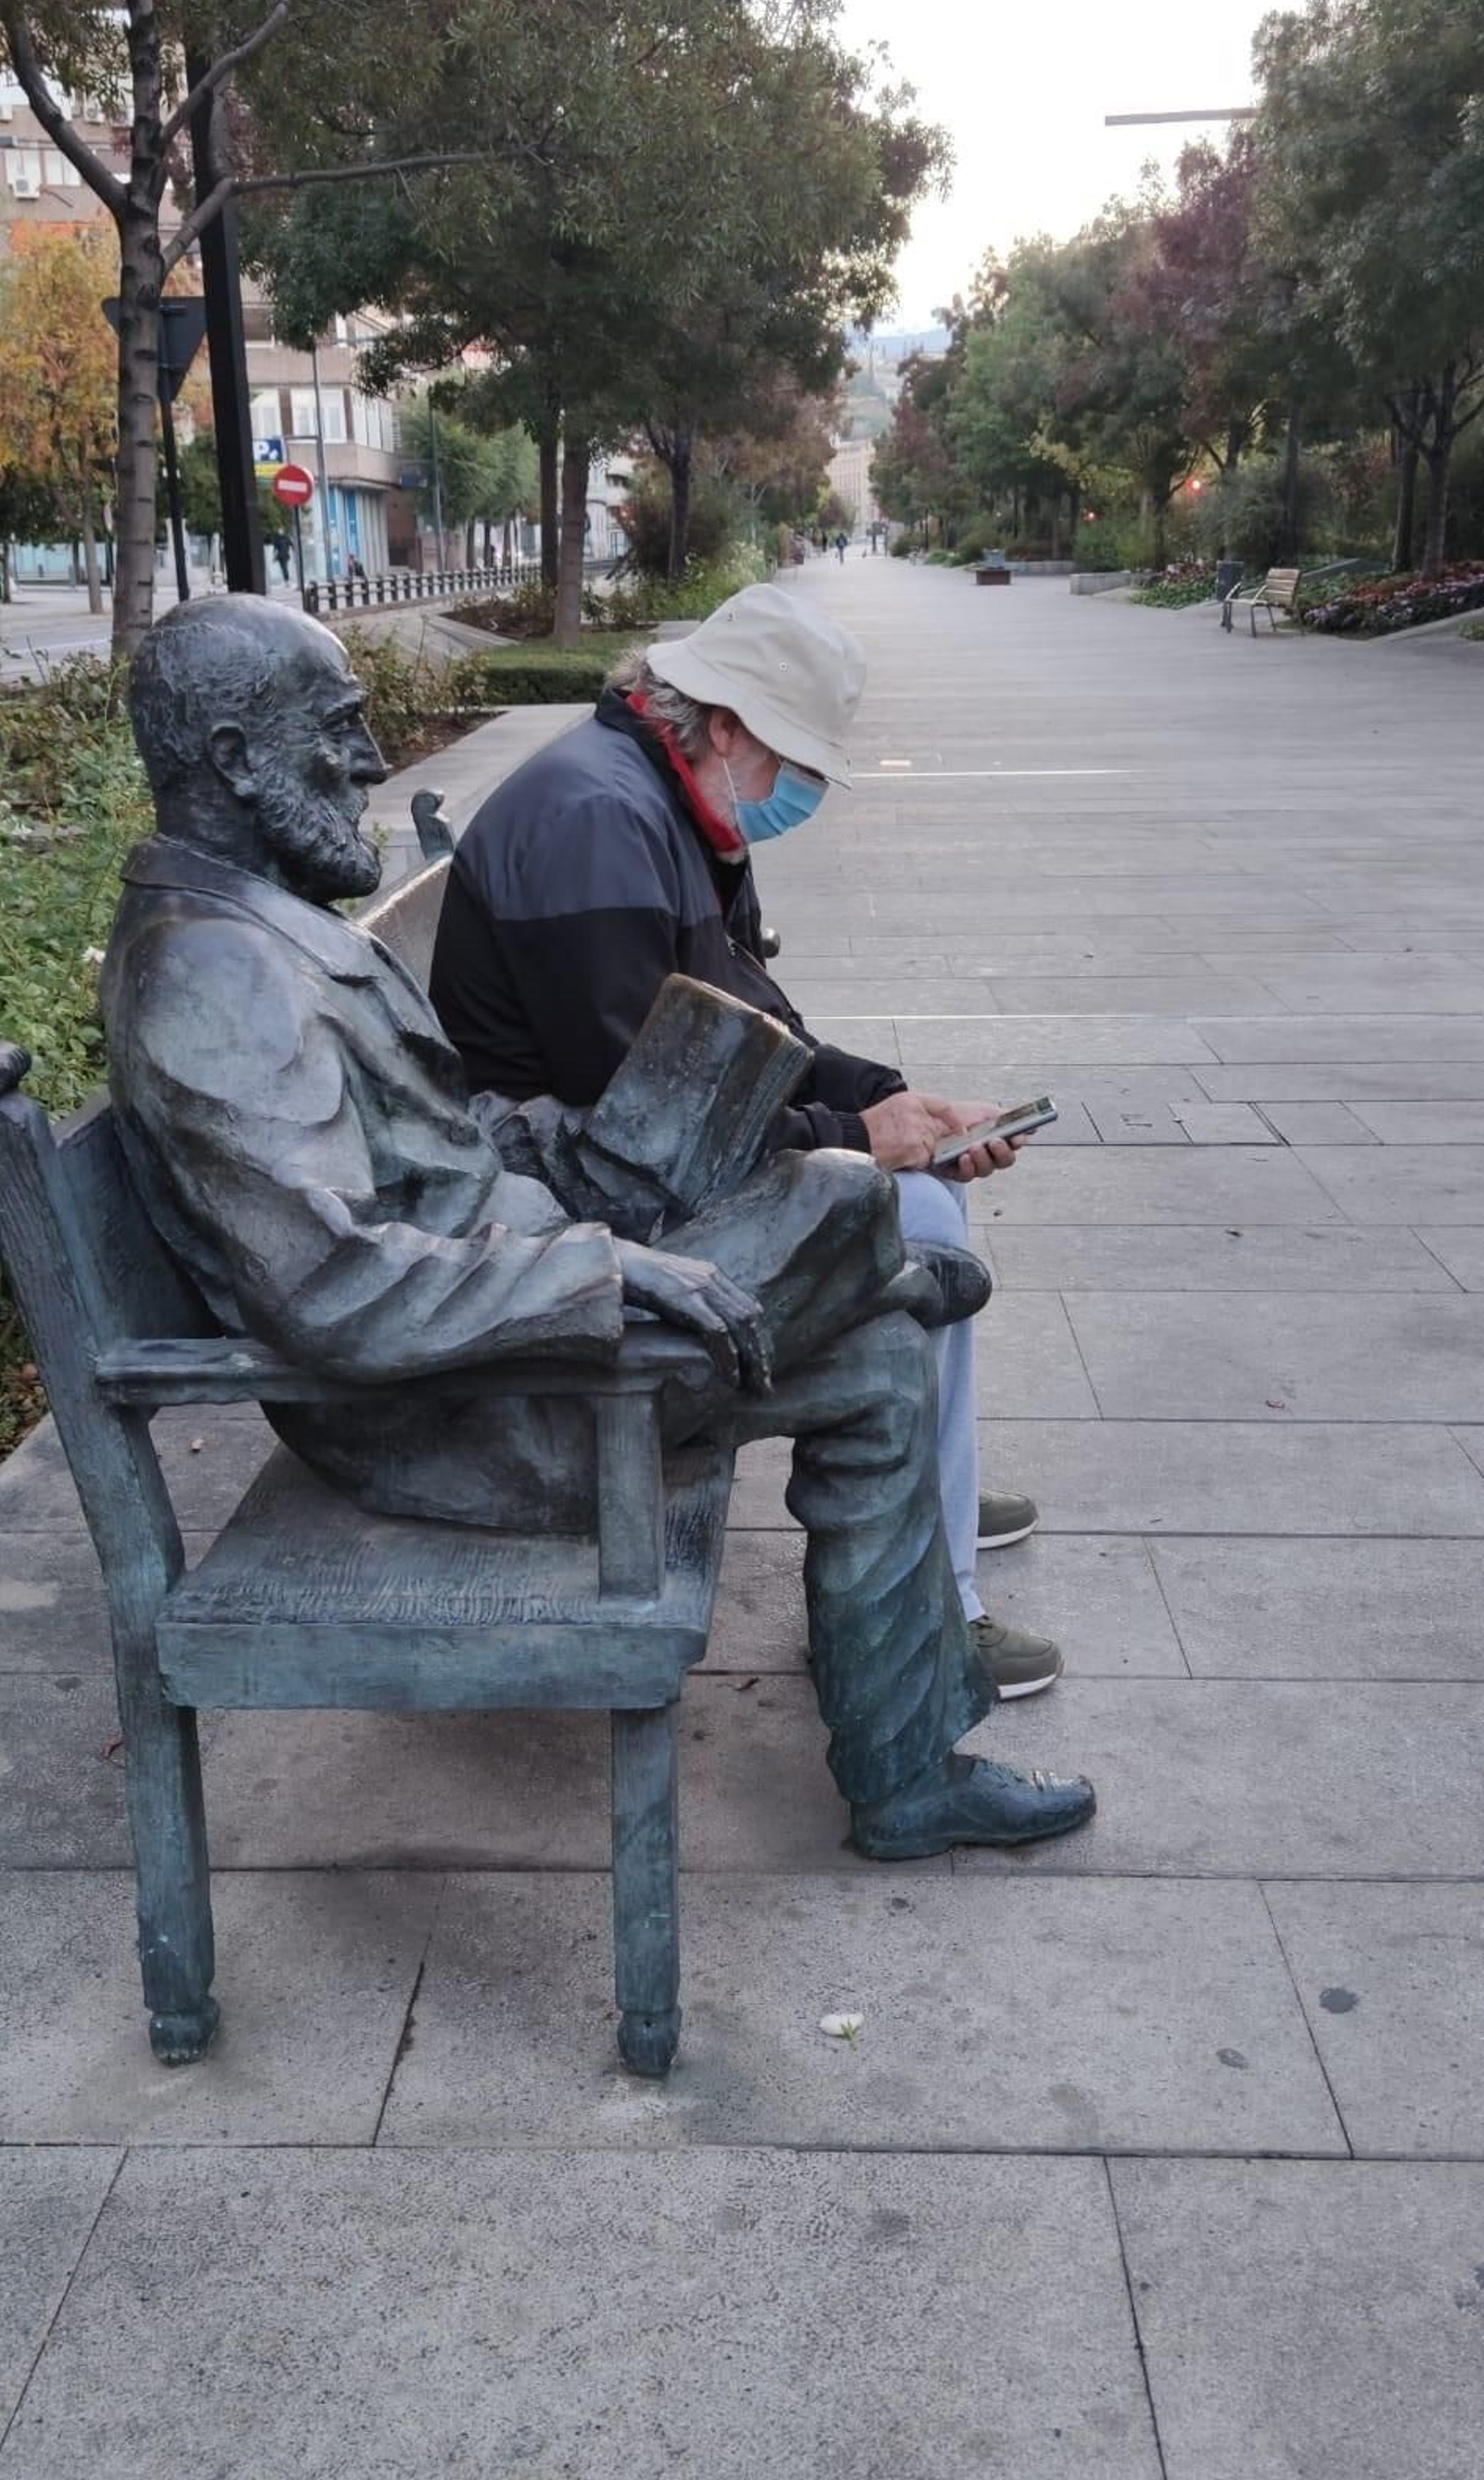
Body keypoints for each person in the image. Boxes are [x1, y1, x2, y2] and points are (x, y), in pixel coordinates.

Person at [101, 596, 1094, 1865]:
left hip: (500, 1334)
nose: (365, 763)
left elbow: (447, 1146)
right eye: (340, 734)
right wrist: (603, 1267)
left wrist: (592, 1161)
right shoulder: (210, 975)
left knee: (882, 1363)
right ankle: (875, 1278)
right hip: (453, 1410)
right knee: (846, 1199)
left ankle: (904, 1778)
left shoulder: (257, 937)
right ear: (236, 759)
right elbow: (330, 1289)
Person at [429, 580, 1066, 1704]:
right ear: (723, 726)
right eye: (795, 762)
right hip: (565, 1205)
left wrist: (899, 1101)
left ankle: (932, 1503)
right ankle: (929, 1605)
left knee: (915, 1191)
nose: (802, 790)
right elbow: (641, 1117)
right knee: (900, 1217)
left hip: (609, 1158)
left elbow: (752, 1027)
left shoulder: (672, 806)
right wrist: (856, 1142)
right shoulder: (599, 824)